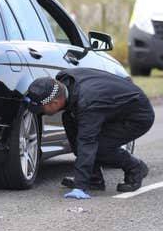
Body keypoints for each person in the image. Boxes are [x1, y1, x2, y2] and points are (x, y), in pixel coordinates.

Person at [26, 68, 155, 200]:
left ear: (55, 102)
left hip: (136, 116)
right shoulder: (63, 80)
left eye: (41, 108)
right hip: (110, 108)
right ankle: (94, 179)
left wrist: (79, 186)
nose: (40, 112)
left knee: (98, 147)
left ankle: (135, 167)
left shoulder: (87, 104)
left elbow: (87, 142)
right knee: (69, 119)